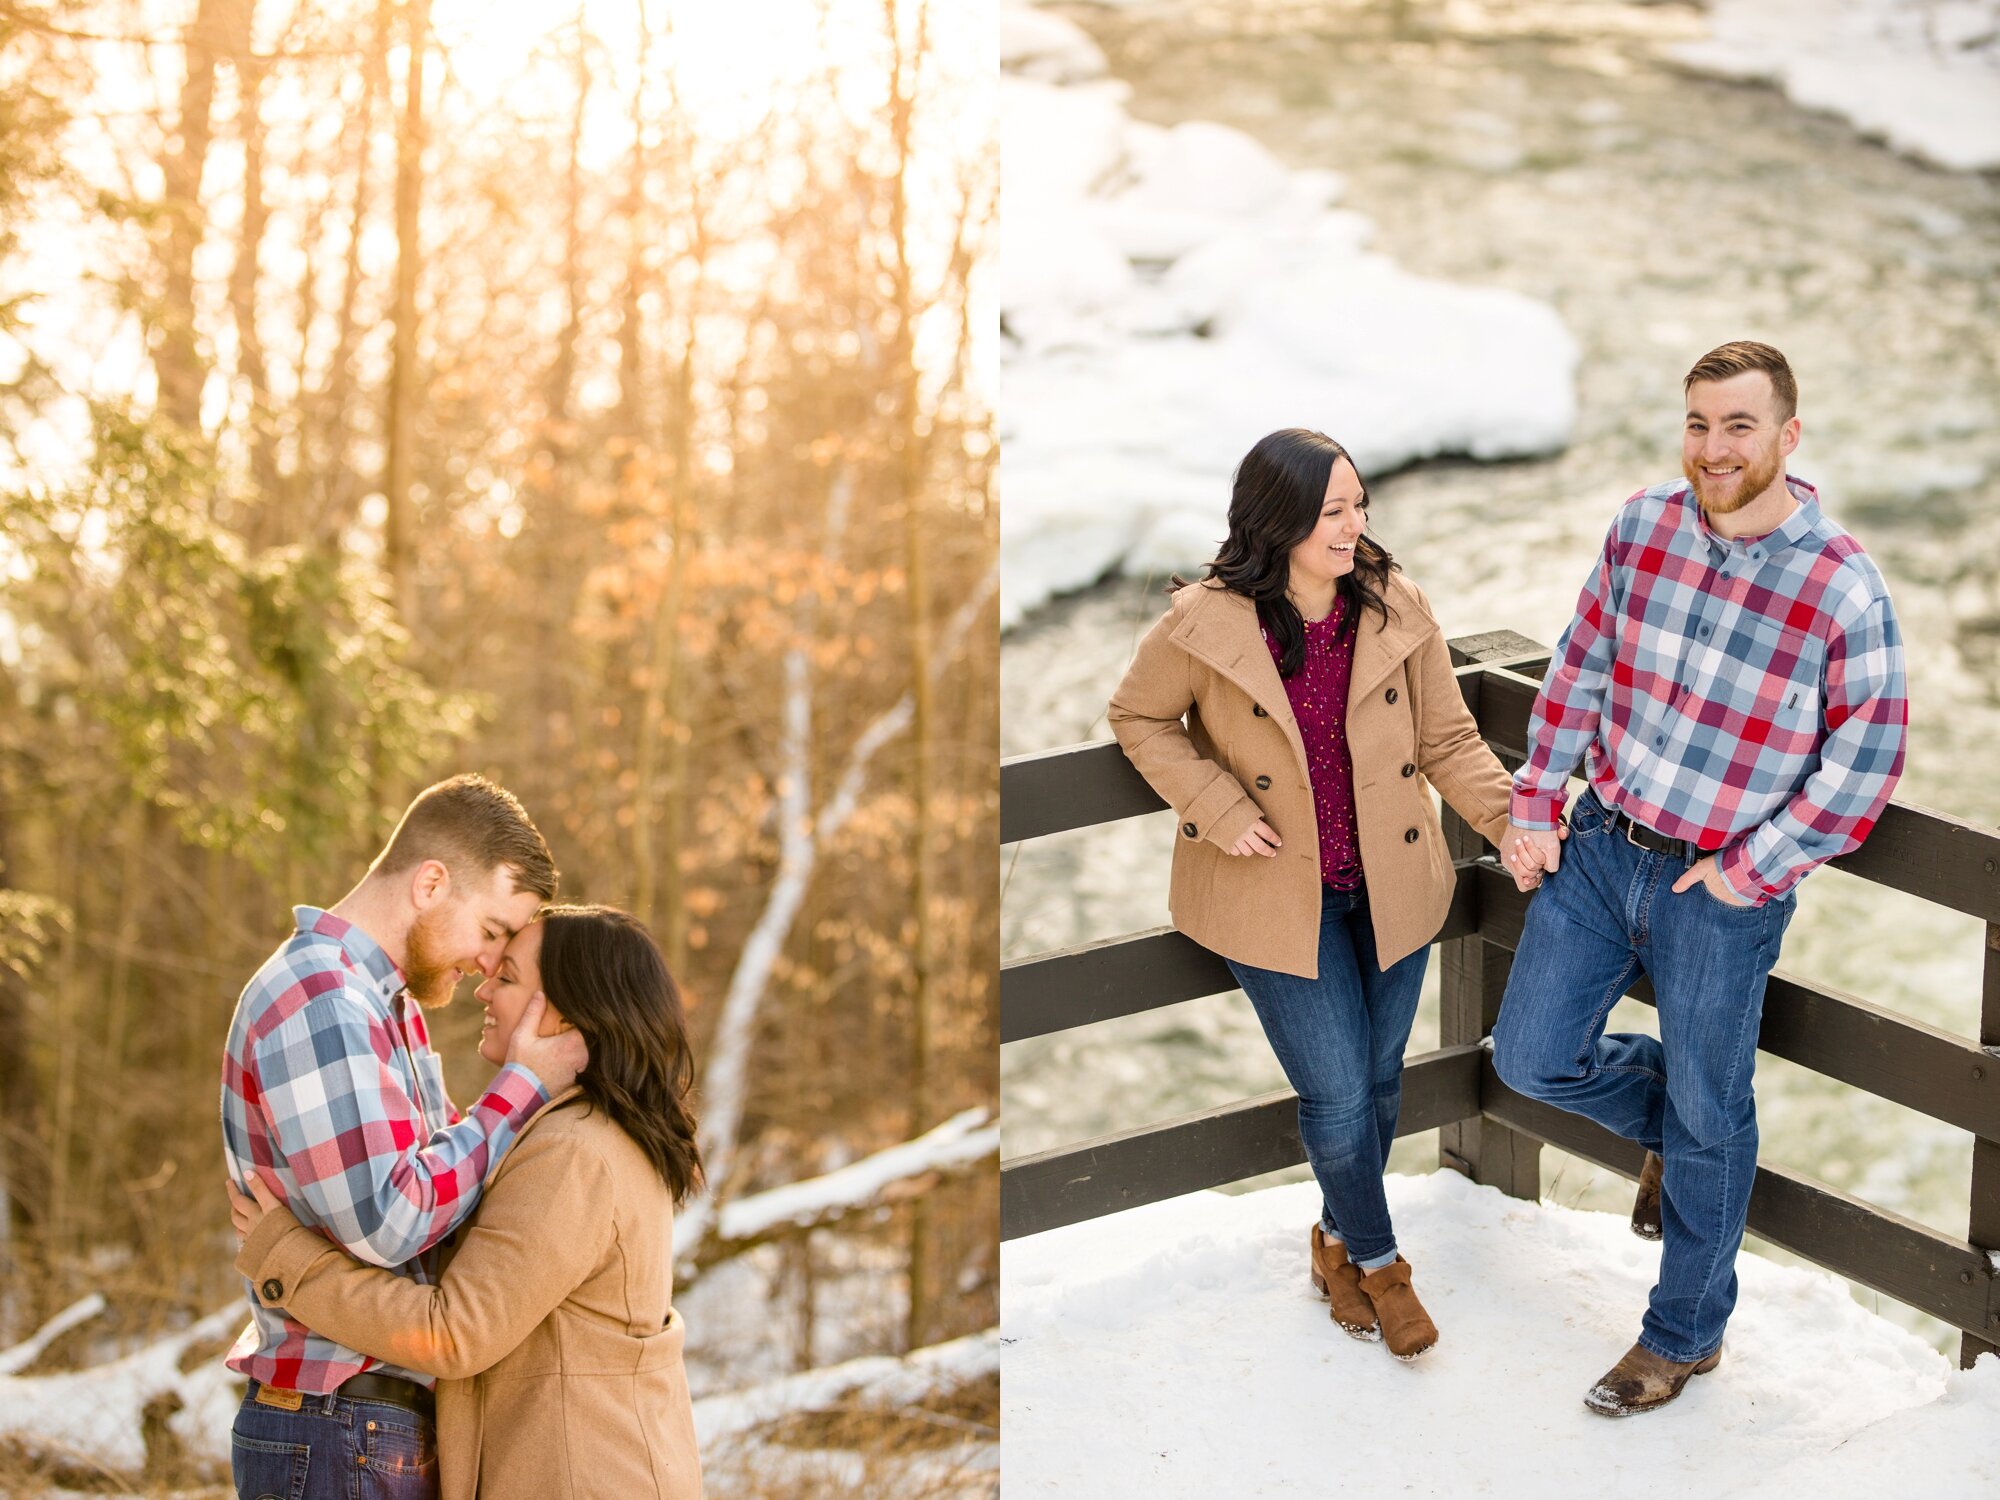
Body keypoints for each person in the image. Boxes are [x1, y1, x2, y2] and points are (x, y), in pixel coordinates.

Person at [1492, 341, 1907, 1415]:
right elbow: (1577, 665)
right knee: (1531, 1059)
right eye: (1696, 424)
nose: (1712, 448)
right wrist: (1535, 800)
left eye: (1736, 426)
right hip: (1599, 850)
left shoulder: (1839, 587)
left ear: (1785, 436)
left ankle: (1679, 1336)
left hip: (1719, 895)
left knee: (1712, 1114)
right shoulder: (1641, 526)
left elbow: (1864, 760)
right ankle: (1675, 1132)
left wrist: (1749, 871)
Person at [1107, 427, 1541, 1360]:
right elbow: (1137, 716)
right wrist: (1216, 805)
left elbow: (1449, 741)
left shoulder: (1396, 607)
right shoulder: (1203, 622)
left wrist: (1511, 822)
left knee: (1379, 1083)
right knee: (1339, 1092)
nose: (1356, 526)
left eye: (1360, 506)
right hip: (1273, 896)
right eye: (1334, 510)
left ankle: (1336, 1243)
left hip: (1390, 886)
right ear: (1281, 521)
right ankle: (1382, 1264)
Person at [230, 905, 704, 1500]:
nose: (482, 988)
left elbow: (453, 1333)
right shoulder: (586, 1135)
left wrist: (288, 1262)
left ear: (567, 1013)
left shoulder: (573, 1154)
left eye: (506, 978)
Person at [220, 773, 589, 1499]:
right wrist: (524, 1086)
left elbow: (448, 1187)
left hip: (358, 1430)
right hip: (336, 1427)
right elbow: (396, 1221)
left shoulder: (386, 1009)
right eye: (490, 932)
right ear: (429, 883)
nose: (488, 963)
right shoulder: (321, 999)